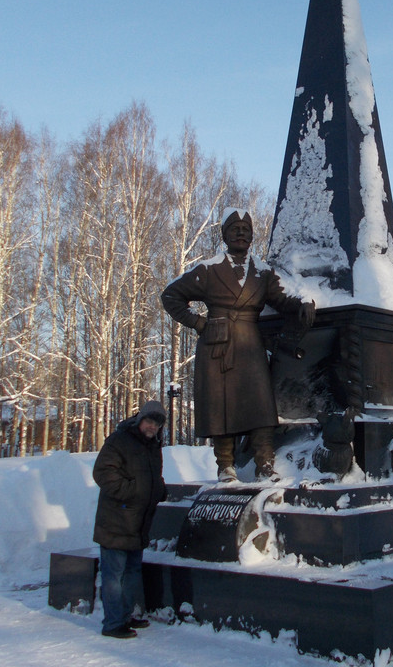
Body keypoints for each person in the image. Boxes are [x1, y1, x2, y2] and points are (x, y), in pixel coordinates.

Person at [161, 208, 314, 482]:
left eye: (246, 228)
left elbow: (281, 300)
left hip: (250, 343)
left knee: (261, 406)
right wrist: (198, 323)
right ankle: (225, 467)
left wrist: (301, 304)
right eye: (235, 228)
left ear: (253, 235)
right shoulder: (209, 270)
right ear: (224, 235)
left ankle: (265, 465)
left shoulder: (262, 272)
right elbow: (171, 295)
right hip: (216, 346)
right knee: (222, 407)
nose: (241, 232)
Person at [92, 400, 167, 639]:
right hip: (117, 519)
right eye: (149, 421)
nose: (152, 427)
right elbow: (103, 472)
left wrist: (159, 490)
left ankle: (127, 615)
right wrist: (132, 491)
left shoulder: (153, 446)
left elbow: (152, 477)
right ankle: (113, 623)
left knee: (132, 572)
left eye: (157, 424)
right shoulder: (119, 440)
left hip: (137, 523)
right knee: (114, 575)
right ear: (139, 419)